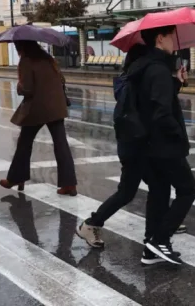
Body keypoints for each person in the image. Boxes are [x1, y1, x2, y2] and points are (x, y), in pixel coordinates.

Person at [76, 43, 188, 255]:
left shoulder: (133, 76)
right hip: (135, 147)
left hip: (134, 145)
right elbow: (151, 109)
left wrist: (176, 83)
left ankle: (160, 227)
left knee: (157, 187)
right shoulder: (137, 79)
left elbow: (152, 103)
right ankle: (90, 224)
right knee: (131, 191)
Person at [126, 25, 195, 265]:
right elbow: (161, 114)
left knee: (159, 191)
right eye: (170, 36)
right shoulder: (158, 70)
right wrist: (178, 135)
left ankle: (150, 248)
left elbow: (152, 102)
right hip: (164, 145)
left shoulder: (145, 67)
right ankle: (160, 239)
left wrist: (176, 83)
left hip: (147, 144)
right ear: (159, 38)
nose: (174, 42)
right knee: (188, 190)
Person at [0, 40, 78, 196]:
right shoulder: (48, 59)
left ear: (21, 47)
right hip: (56, 107)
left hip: (37, 109)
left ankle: (15, 178)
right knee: (61, 144)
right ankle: (69, 184)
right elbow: (61, 80)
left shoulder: (26, 61)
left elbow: (26, 88)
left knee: (24, 144)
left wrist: (19, 85)